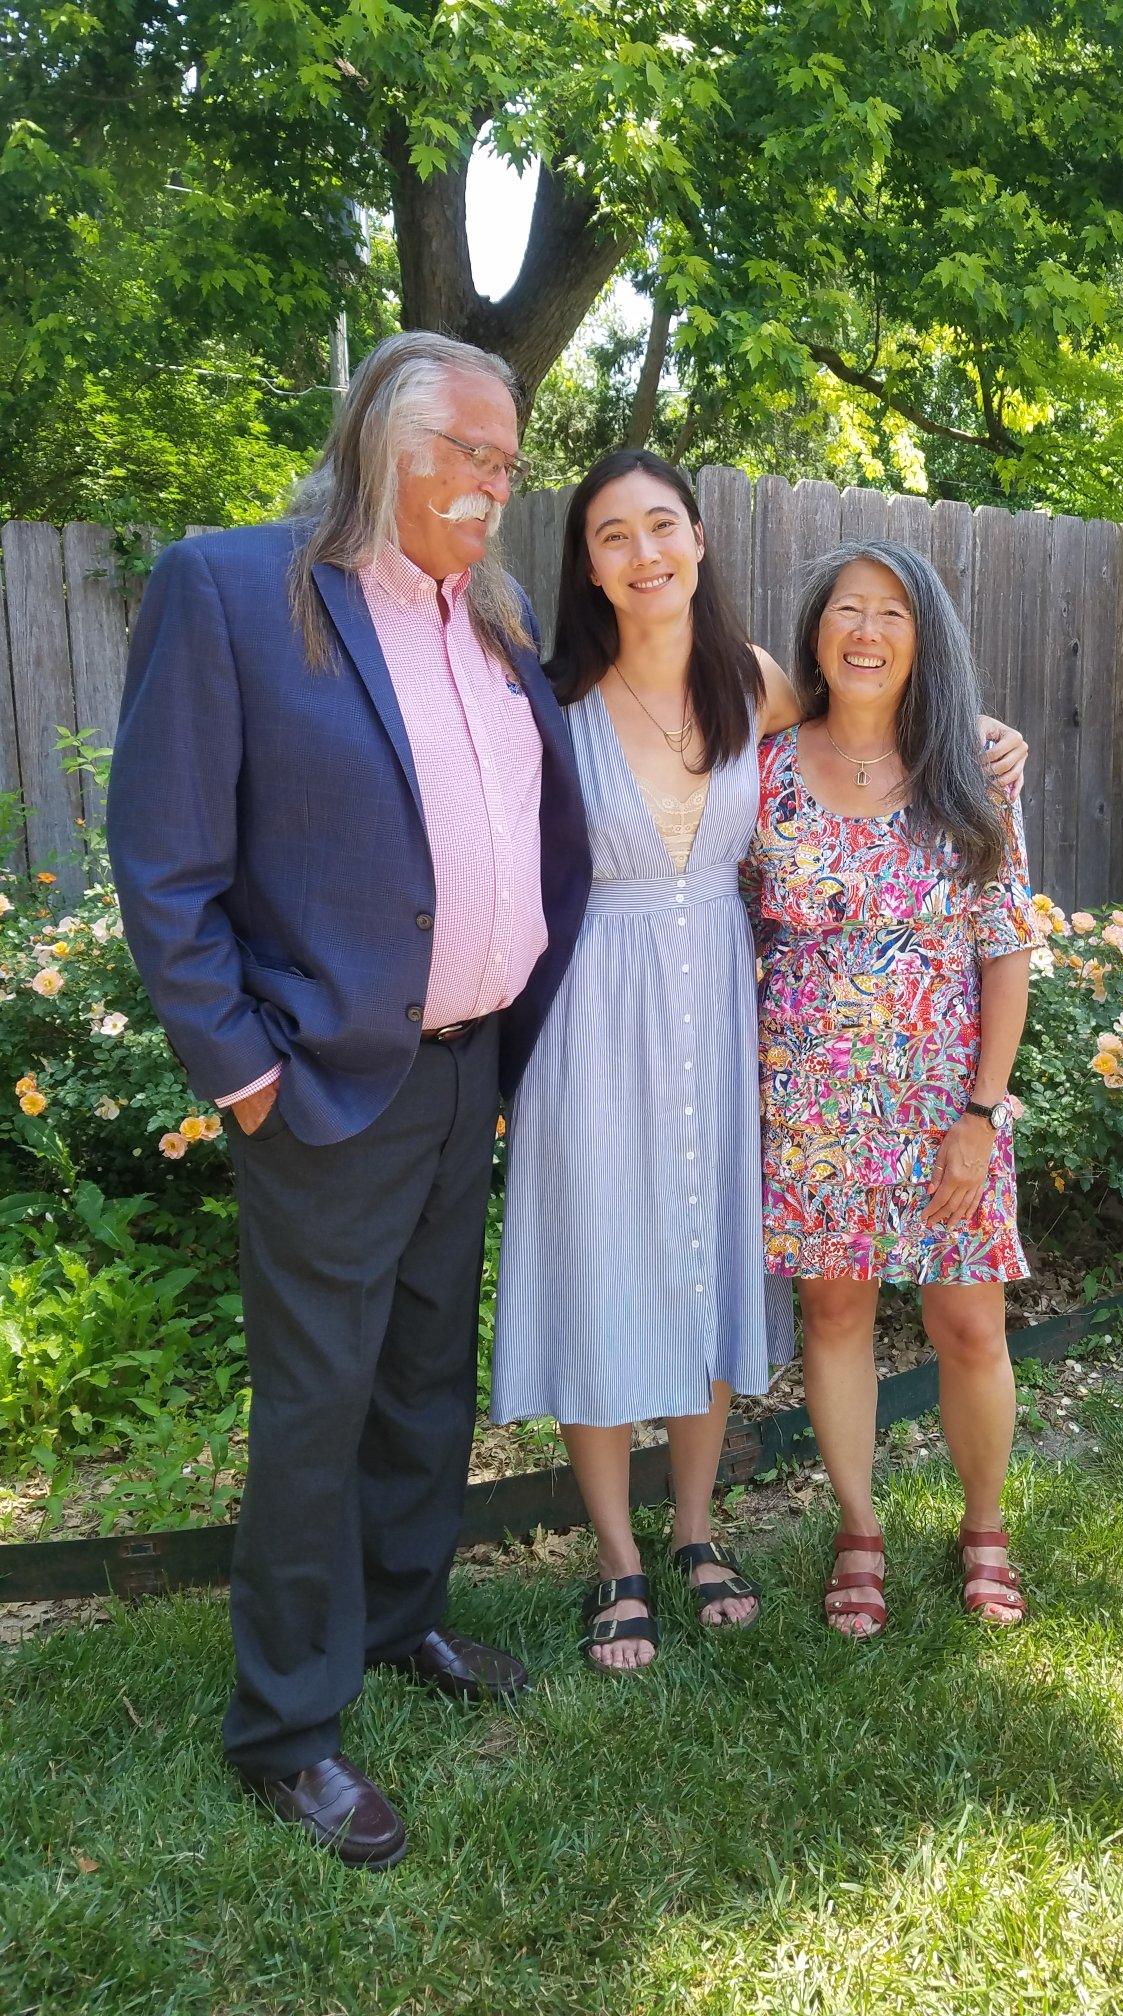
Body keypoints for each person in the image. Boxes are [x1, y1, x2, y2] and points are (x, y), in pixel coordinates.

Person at [107, 331, 591, 1867]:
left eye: (507, 464)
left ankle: (401, 1626)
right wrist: (246, 1076)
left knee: (422, 1382)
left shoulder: (494, 630)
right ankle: (286, 1729)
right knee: (318, 1406)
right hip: (324, 1090)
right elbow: (166, 865)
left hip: (463, 1080)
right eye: (463, 450)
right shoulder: (238, 590)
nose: (488, 484)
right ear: (379, 435)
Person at [491, 453, 1029, 1671]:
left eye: (664, 526)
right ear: (587, 561)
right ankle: (689, 1551)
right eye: (614, 534)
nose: (644, 553)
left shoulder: (795, 710)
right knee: (652, 1275)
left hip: (835, 1068)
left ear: (697, 541)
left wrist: (995, 733)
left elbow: (990, 920)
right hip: (666, 1043)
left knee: (790, 1289)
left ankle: (790, 1531)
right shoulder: (583, 708)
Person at [746, 540, 1040, 1638]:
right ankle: (858, 1529)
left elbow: (1005, 948)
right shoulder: (767, 770)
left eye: (893, 614)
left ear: (926, 642)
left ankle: (984, 1528)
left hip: (944, 1111)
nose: (866, 632)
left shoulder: (972, 772)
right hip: (813, 1107)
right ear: (816, 632)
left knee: (969, 1324)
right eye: (846, 611)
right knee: (836, 1313)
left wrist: (981, 1114)